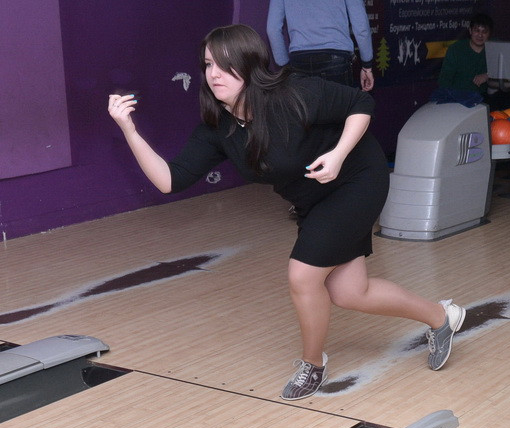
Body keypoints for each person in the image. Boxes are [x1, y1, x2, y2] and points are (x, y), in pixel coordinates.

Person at [108, 25, 466, 401]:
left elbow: (360, 104)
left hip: (356, 178)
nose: (214, 74)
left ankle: (312, 364)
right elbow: (170, 180)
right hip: (314, 198)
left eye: (226, 65)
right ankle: (442, 318)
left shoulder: (293, 92)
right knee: (349, 292)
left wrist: (338, 153)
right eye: (208, 64)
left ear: (249, 67)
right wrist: (129, 130)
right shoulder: (219, 129)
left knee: (303, 274)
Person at [266, 0, 374, 91]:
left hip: (299, 63)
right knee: (340, 115)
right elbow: (361, 27)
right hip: (337, 61)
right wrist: (367, 66)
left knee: (305, 115)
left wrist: (284, 65)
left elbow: (272, 29)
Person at [438, 14, 493, 97]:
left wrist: (487, 75)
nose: (480, 35)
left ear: (489, 34)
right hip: (457, 99)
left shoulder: (494, 49)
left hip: (484, 100)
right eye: (477, 30)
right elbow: (444, 82)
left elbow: (508, 73)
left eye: (484, 32)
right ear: (470, 31)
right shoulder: (456, 49)